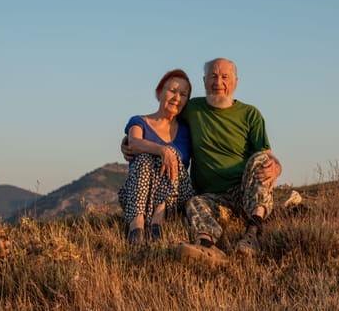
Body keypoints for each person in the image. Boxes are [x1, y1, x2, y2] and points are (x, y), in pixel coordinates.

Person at [123, 58, 301, 264]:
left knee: (262, 160)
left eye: (225, 77)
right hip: (212, 197)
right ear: (204, 81)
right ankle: (207, 247)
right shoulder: (192, 109)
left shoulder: (250, 114)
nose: (218, 82)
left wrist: (276, 167)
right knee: (193, 203)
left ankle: (253, 234)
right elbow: (162, 120)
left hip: (244, 189)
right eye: (213, 77)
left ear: (235, 82)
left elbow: (267, 154)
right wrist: (129, 141)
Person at [118, 69, 195, 246]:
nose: (177, 97)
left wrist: (166, 152)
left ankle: (157, 222)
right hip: (139, 195)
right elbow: (134, 142)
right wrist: (161, 150)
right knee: (146, 156)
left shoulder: (187, 130)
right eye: (172, 90)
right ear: (159, 92)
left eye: (183, 94)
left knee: (171, 153)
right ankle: (136, 226)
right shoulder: (139, 121)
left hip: (175, 195)